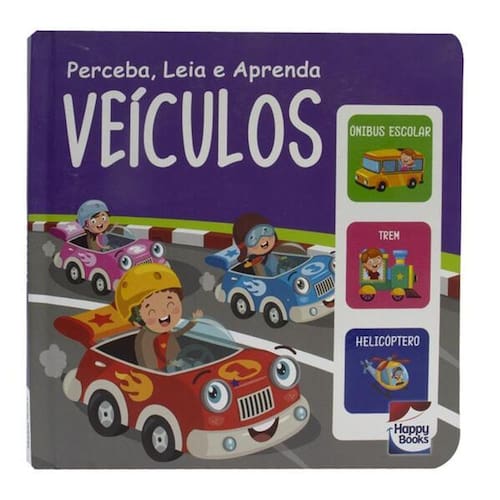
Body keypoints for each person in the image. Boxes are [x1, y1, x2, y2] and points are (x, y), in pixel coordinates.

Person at [115, 263, 203, 371]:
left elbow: (176, 334)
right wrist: (169, 366)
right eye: (152, 311)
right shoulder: (146, 339)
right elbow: (150, 365)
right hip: (162, 373)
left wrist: (193, 322)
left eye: (170, 304)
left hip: (176, 365)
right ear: (138, 319)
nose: (163, 312)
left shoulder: (164, 332)